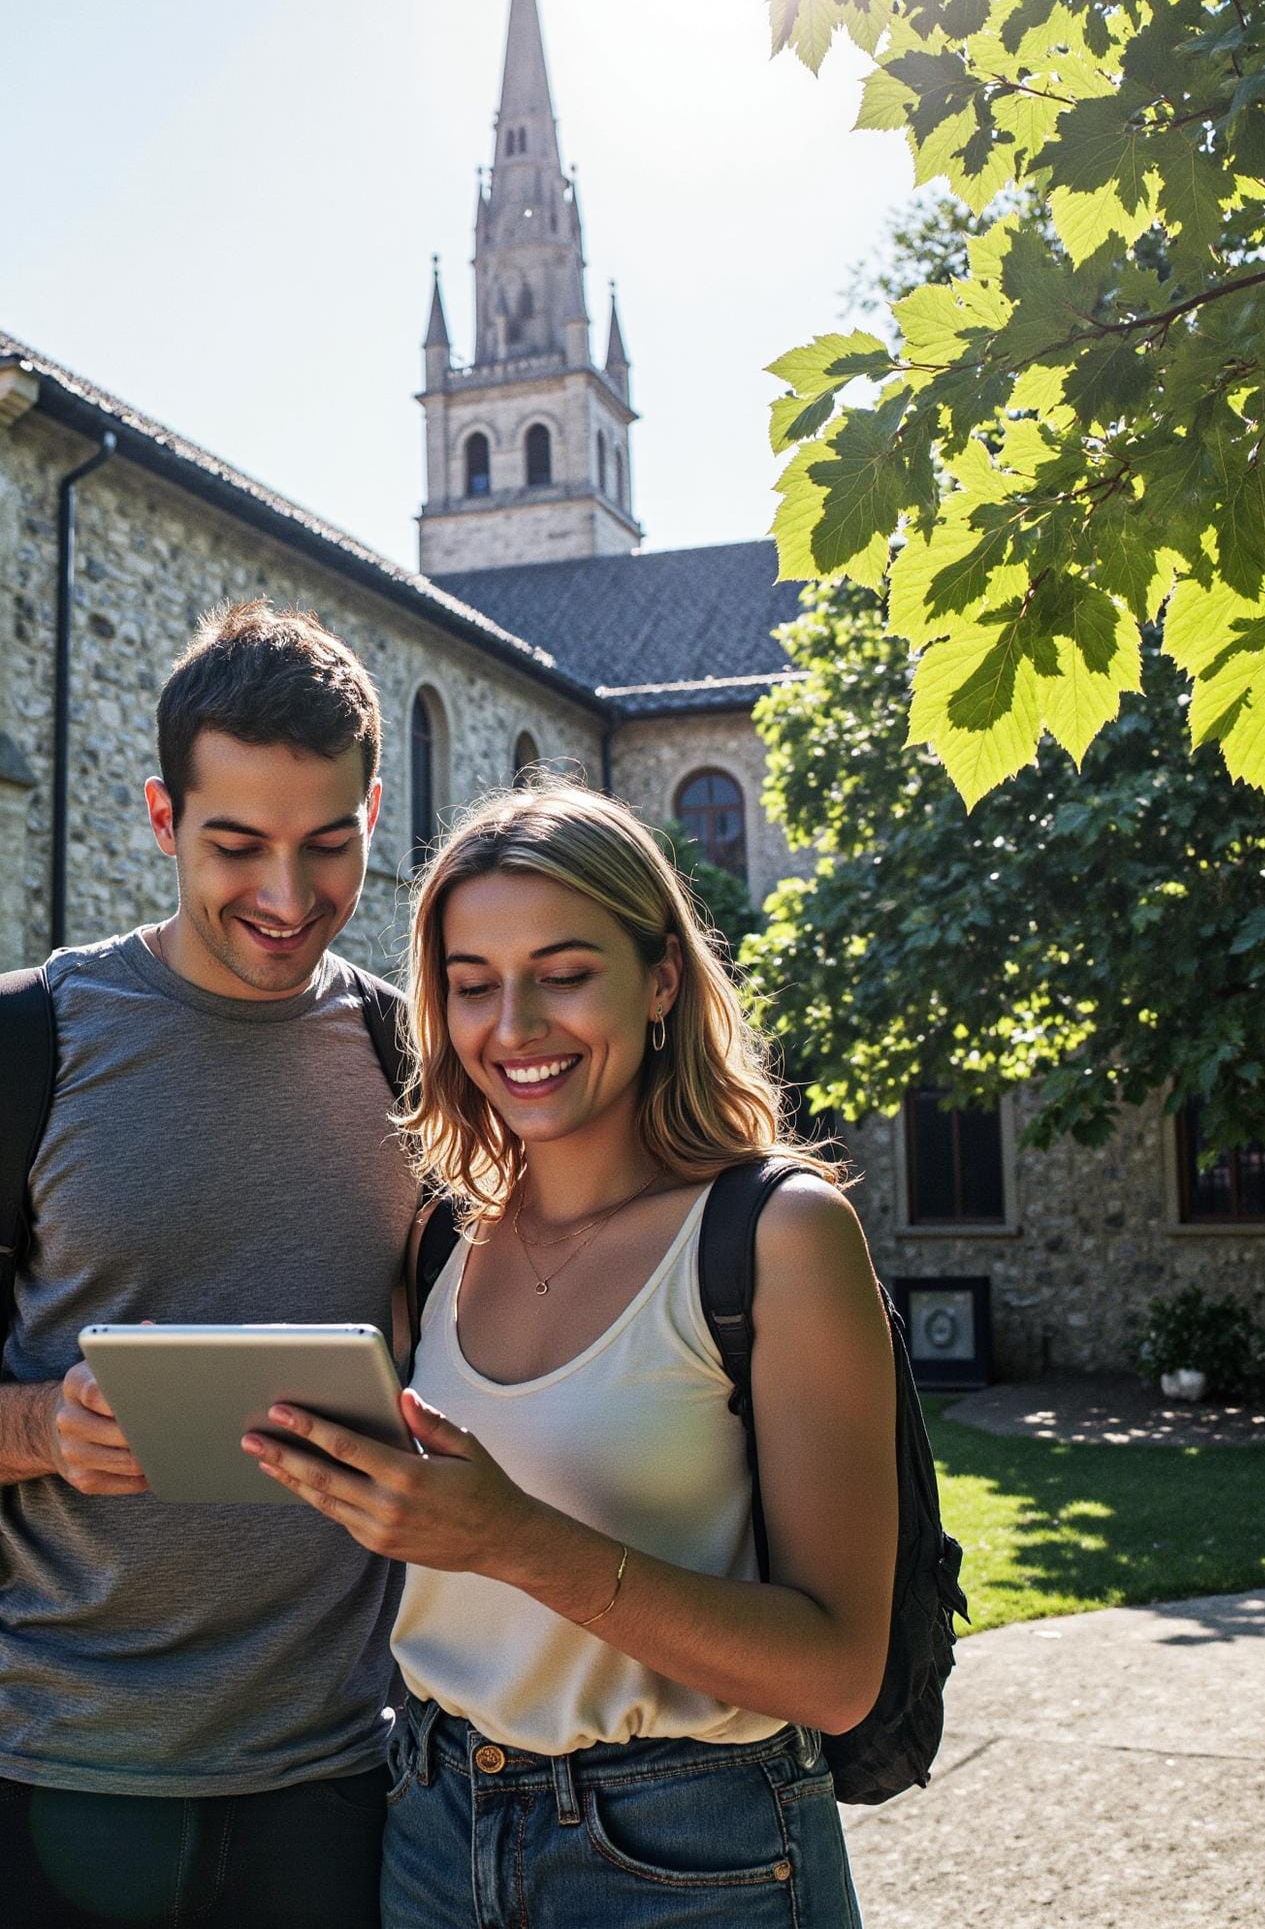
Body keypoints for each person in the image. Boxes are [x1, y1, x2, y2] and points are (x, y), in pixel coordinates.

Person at [0, 603, 421, 1929]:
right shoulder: (6, 1046)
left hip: (328, 1789)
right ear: (161, 816)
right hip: (30, 1774)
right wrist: (43, 1425)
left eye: (330, 845)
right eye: (237, 846)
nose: (287, 897)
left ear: (374, 812)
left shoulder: (414, 1065)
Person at [247, 779, 895, 1928]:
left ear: (657, 979)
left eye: (562, 972)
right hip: (433, 1826)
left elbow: (835, 1672)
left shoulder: (775, 1234)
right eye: (471, 985)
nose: (514, 1027)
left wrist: (507, 1538)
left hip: (689, 1855)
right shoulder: (442, 1235)